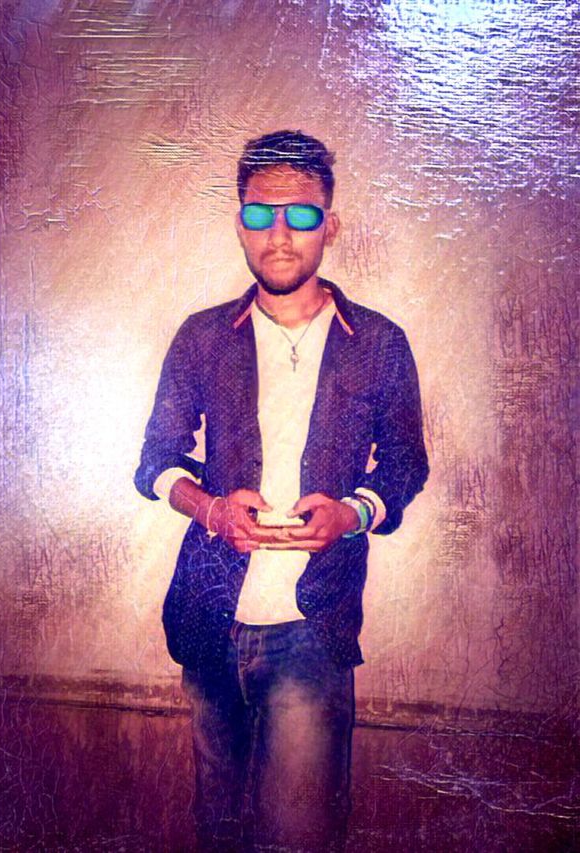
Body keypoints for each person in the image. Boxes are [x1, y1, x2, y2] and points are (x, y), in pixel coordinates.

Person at [134, 130, 429, 852]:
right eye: (260, 214)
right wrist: (209, 508)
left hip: (312, 628)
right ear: (240, 222)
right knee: (219, 831)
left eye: (300, 214)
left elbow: (405, 465)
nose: (280, 233)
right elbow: (155, 461)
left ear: (330, 224)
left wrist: (352, 514)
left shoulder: (378, 343)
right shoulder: (203, 337)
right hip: (210, 620)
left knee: (300, 836)